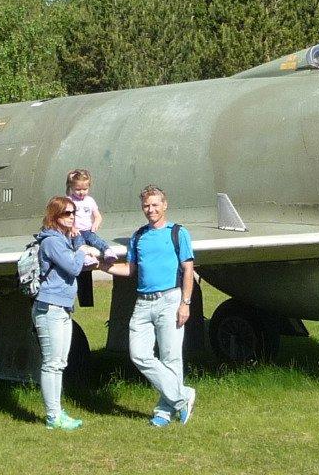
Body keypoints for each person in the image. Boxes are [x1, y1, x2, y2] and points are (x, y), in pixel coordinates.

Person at [103, 185, 197, 426]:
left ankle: (164, 412)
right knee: (139, 355)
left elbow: (188, 270)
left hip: (170, 300)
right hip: (143, 303)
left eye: (155, 205)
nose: (151, 209)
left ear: (164, 205)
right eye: (147, 205)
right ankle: (182, 396)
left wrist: (185, 303)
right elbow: (130, 270)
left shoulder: (178, 233)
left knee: (170, 357)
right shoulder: (139, 236)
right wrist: (101, 267)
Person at [31, 194, 101, 431]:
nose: (72, 217)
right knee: (51, 363)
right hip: (49, 307)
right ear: (55, 216)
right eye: (66, 213)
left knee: (60, 362)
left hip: (62, 307)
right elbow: (72, 266)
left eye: (73, 213)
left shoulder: (61, 240)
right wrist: (83, 250)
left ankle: (57, 412)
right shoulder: (51, 241)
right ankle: (53, 417)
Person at [66, 168, 104, 307]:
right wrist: (72, 228)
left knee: (96, 241)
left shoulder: (90, 201)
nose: (81, 193)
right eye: (78, 189)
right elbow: (64, 218)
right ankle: (85, 257)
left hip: (88, 230)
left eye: (84, 189)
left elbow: (98, 216)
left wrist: (96, 223)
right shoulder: (69, 201)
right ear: (71, 187)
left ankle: (107, 251)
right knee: (79, 243)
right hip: (76, 233)